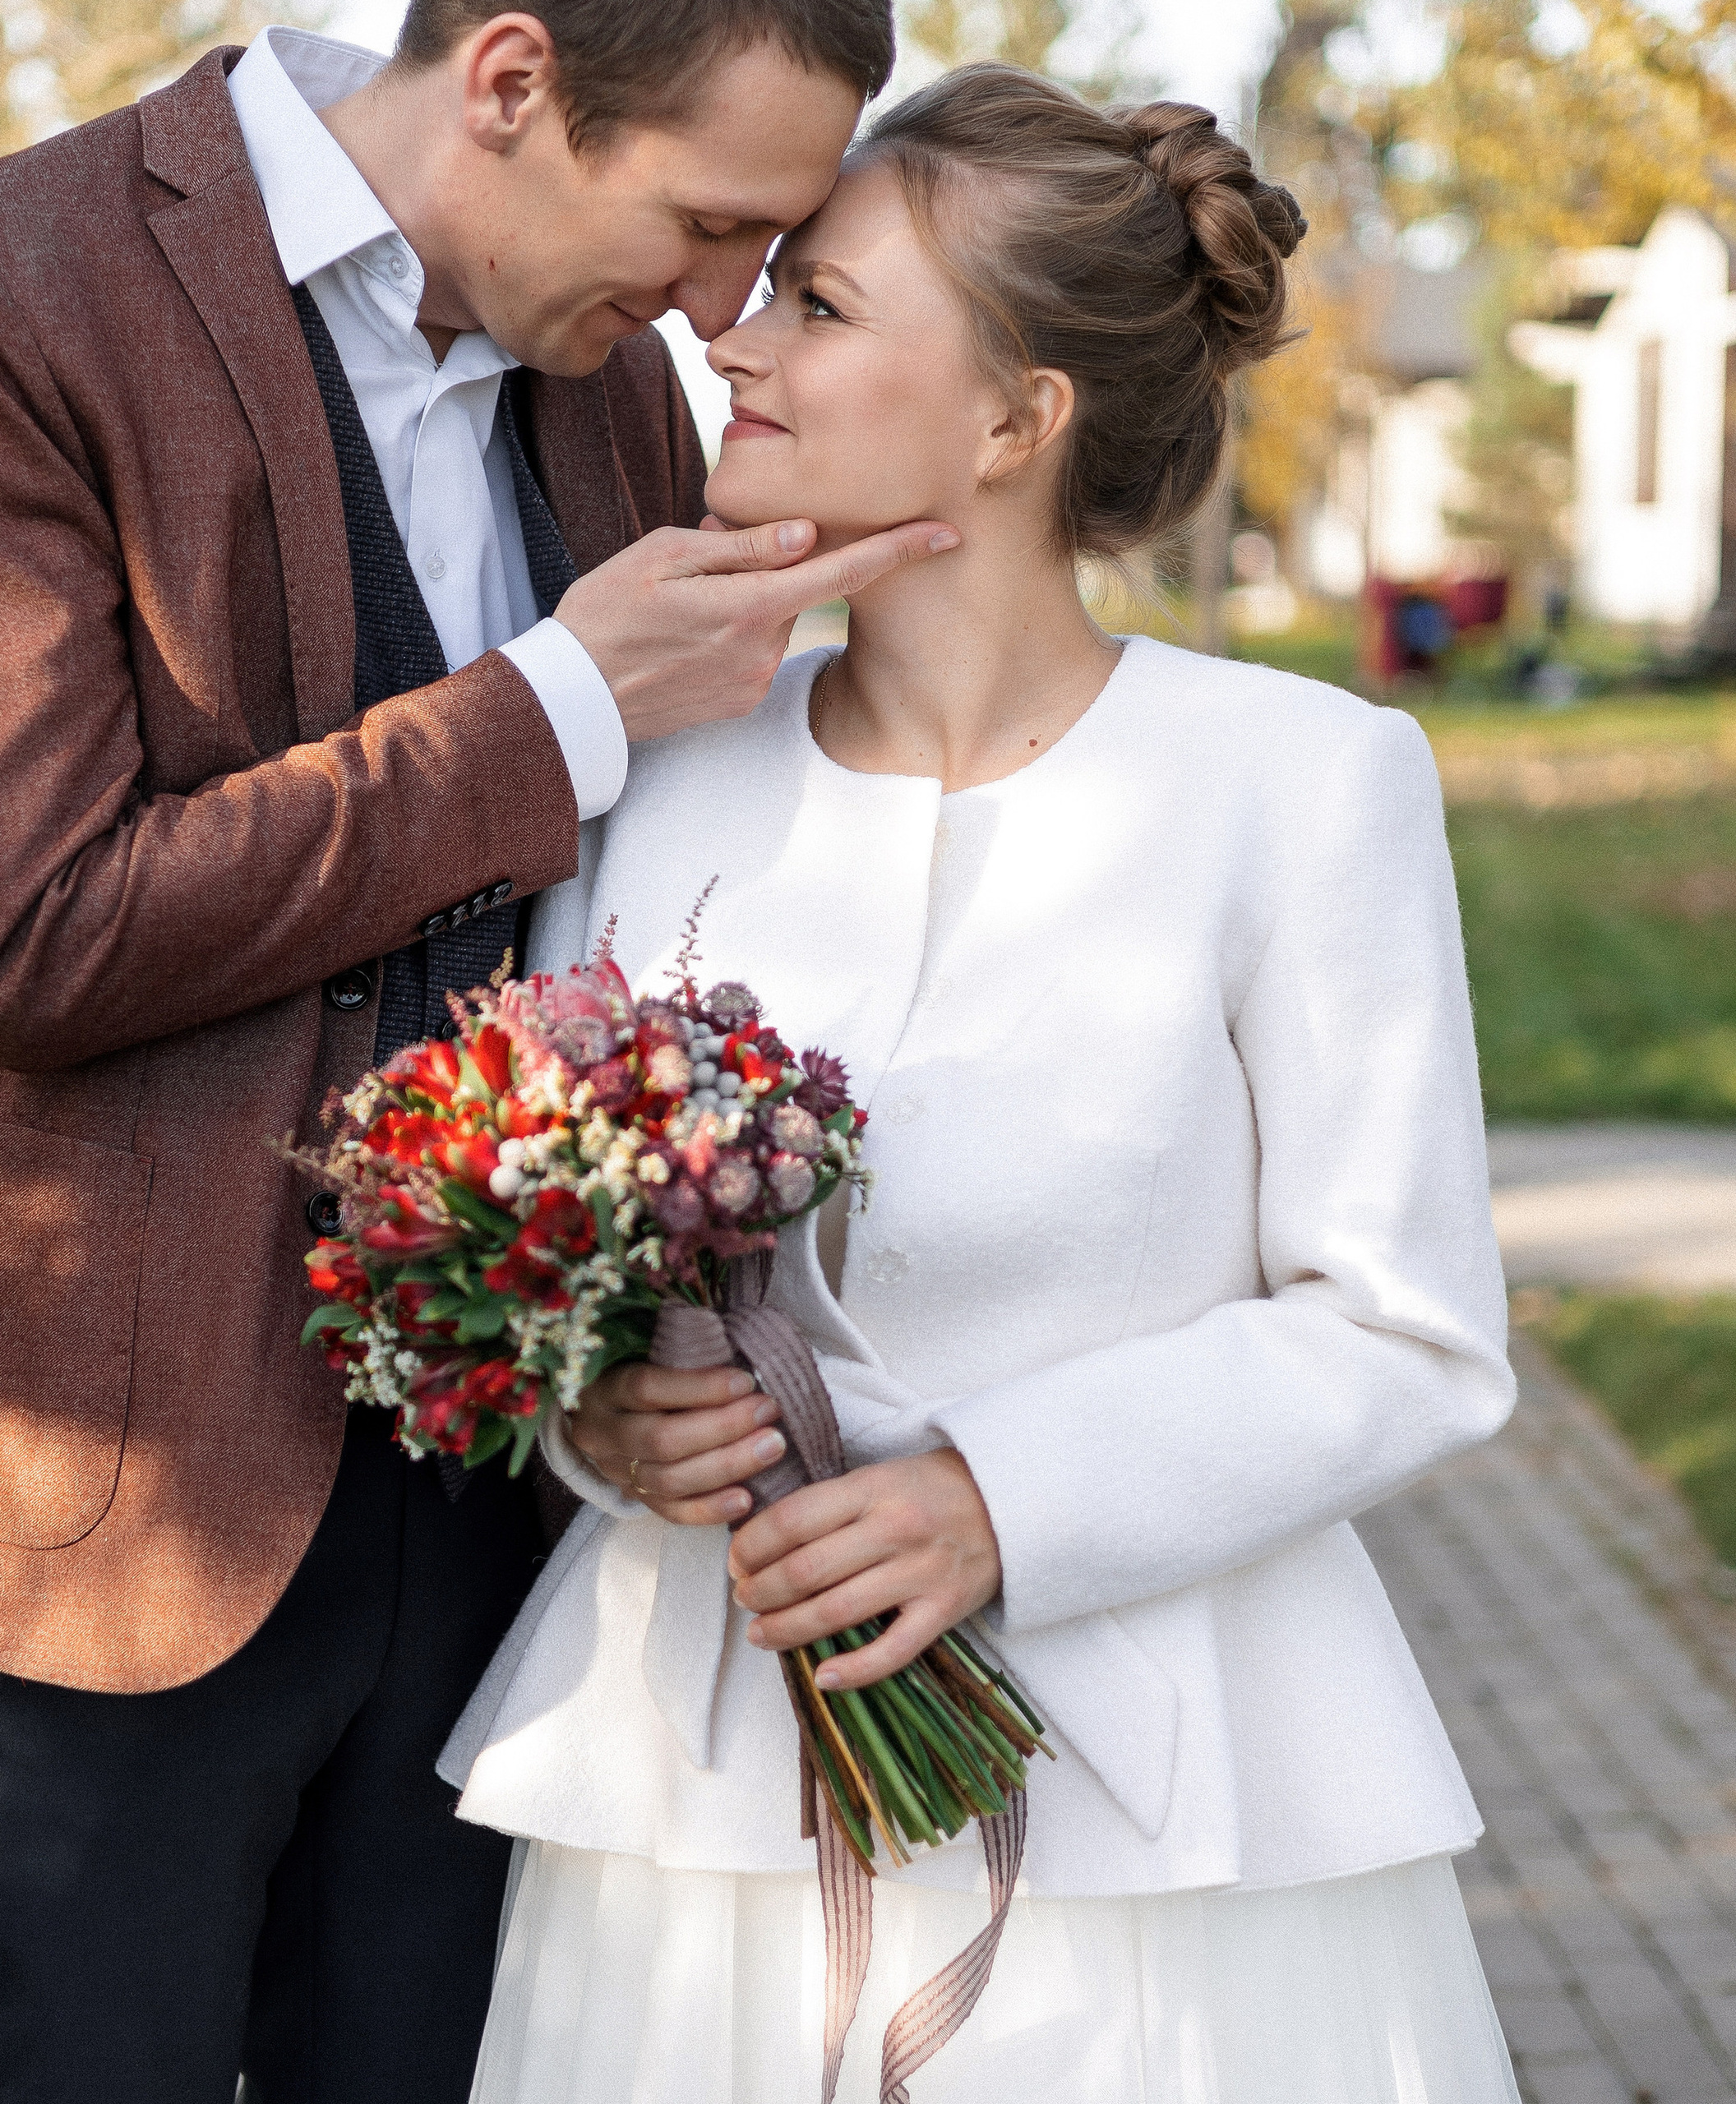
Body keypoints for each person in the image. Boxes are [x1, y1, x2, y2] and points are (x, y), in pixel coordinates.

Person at [0, 2, 952, 2097]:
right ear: (510, 82)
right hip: (106, 1514)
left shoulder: (613, 384)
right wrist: (551, 705)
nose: (721, 311)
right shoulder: (7, 285)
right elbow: (33, 929)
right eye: (710, 223)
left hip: (506, 1519)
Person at [445, 65, 1524, 2103]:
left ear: (1017, 421)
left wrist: (990, 1505)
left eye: (820, 306)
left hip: (1163, 1810)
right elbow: (573, 1254)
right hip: (692, 1802)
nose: (730, 342)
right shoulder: (653, 766)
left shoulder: (1299, 783)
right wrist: (606, 1419)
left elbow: (1404, 1328)